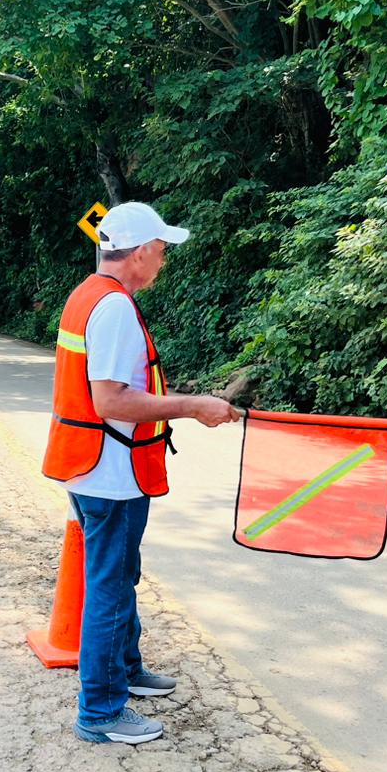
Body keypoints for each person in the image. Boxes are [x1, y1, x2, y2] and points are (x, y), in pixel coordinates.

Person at [42, 201, 241, 744]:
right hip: (109, 473)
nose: (162, 259)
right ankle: (101, 711)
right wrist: (193, 405)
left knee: (119, 576)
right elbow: (111, 400)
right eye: (160, 249)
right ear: (136, 253)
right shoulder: (113, 310)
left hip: (95, 468)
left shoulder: (92, 296)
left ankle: (125, 670)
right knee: (109, 585)